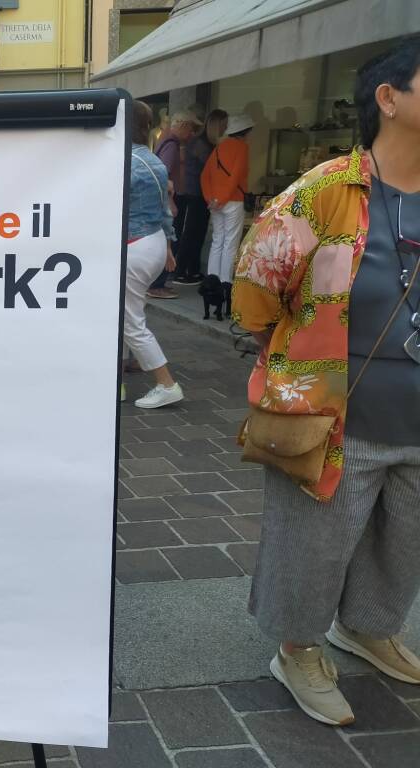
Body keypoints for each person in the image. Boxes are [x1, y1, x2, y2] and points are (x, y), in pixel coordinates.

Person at [232, 36, 420, 728]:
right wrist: (293, 356)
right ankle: (298, 648)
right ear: (389, 100)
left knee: (403, 542)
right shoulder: (324, 192)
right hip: (334, 415)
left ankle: (369, 629)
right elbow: (256, 290)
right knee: (311, 548)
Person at [123, 101, 185, 409]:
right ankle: (119, 373)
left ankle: (166, 383)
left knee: (129, 320)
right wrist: (169, 249)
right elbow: (164, 211)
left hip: (134, 247)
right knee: (127, 312)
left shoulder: (119, 162)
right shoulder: (154, 161)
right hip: (154, 244)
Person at [147, 109, 203, 299]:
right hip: (167, 200)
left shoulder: (164, 139)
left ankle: (158, 283)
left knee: (167, 240)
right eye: (191, 128)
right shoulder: (171, 145)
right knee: (169, 240)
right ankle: (157, 284)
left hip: (163, 199)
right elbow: (164, 176)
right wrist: (170, 202)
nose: (192, 134)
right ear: (184, 126)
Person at [202, 113, 253, 315]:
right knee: (230, 243)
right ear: (246, 132)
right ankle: (225, 284)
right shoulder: (242, 148)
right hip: (233, 201)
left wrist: (211, 199)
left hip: (215, 202)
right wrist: (222, 198)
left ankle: (211, 280)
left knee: (217, 241)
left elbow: (204, 176)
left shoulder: (218, 147)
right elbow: (236, 176)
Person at [173, 109, 228, 285]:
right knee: (192, 233)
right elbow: (213, 168)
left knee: (195, 233)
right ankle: (181, 270)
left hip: (198, 193)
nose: (225, 129)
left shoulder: (201, 143)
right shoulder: (202, 145)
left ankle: (191, 270)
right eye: (224, 125)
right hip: (196, 193)